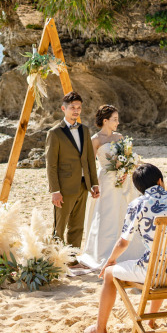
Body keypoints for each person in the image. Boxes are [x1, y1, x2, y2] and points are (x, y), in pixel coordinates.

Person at [84, 163, 167, 333]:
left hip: (156, 272)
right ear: (160, 181)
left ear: (139, 188)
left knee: (109, 273)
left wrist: (110, 261)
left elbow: (123, 242)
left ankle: (100, 329)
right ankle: (151, 320)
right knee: (162, 263)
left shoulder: (137, 204)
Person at [78, 105, 144, 270]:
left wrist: (127, 168)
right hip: (105, 182)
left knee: (124, 212)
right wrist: (92, 184)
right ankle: (103, 252)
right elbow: (89, 165)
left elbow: (127, 156)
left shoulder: (119, 136)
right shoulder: (95, 140)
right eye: (114, 119)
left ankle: (125, 250)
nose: (118, 122)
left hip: (124, 180)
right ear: (105, 121)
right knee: (107, 215)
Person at [46, 91, 100, 252]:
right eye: (72, 107)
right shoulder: (54, 133)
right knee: (59, 228)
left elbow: (90, 159)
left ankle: (72, 258)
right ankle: (57, 260)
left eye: (78, 107)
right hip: (64, 187)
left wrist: (94, 183)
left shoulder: (84, 130)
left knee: (77, 226)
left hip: (83, 185)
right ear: (63, 108)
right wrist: (55, 190)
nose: (76, 110)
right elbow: (51, 165)